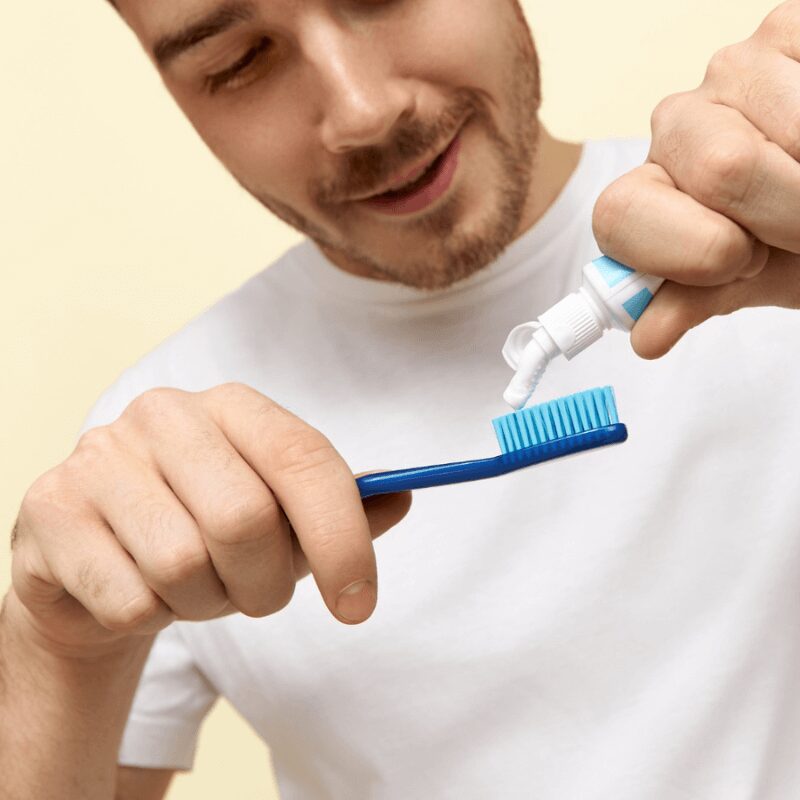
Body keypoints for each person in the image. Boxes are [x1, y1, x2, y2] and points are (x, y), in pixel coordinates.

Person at [3, 1, 800, 797]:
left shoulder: (772, 231)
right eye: (238, 62)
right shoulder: (161, 469)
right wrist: (59, 655)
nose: (362, 111)